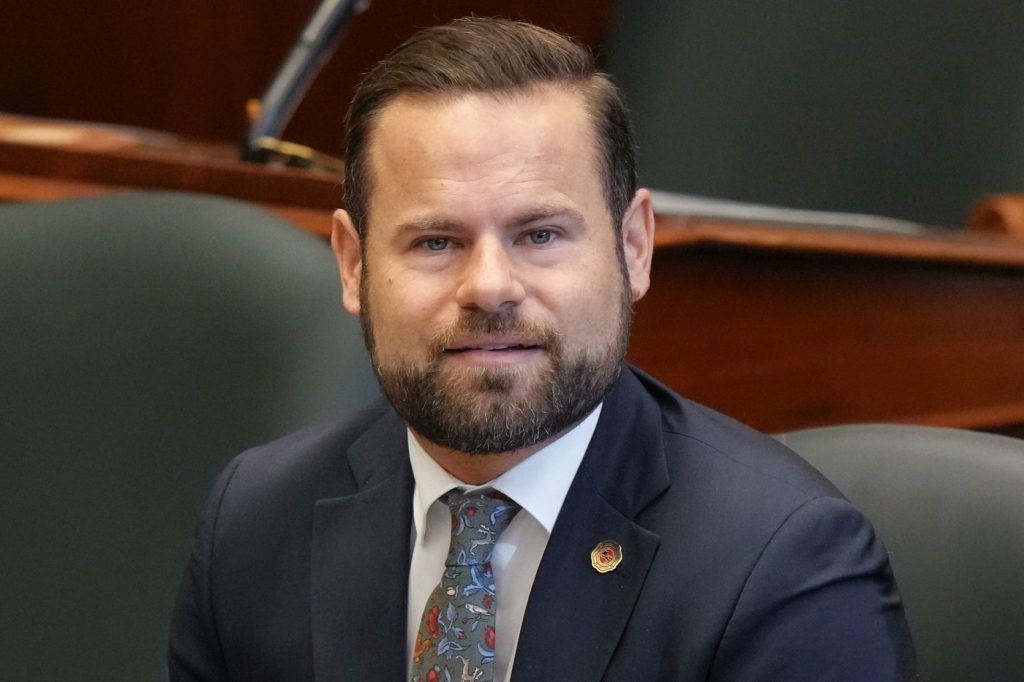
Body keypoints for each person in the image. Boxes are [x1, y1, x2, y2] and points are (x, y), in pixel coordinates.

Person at [169, 17, 916, 681]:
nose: (490, 287)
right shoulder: (257, 520)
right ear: (353, 266)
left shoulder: (780, 565)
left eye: (540, 235)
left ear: (634, 247)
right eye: (436, 241)